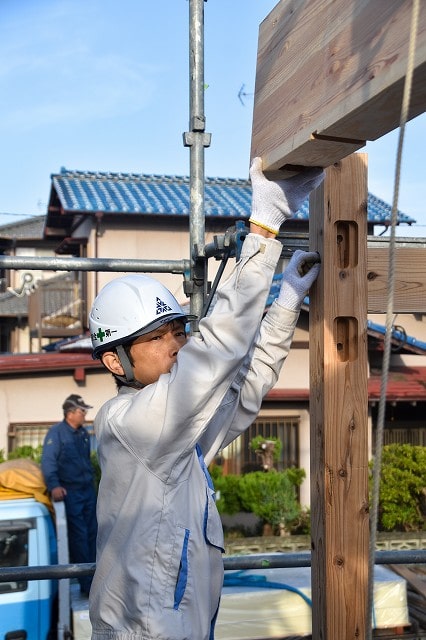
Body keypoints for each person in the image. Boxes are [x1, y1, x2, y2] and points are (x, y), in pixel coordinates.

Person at [88, 157, 324, 639]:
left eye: (177, 330)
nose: (174, 344)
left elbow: (242, 385)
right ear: (116, 361)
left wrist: (285, 304)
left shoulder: (178, 441)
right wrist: (263, 231)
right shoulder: (129, 426)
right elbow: (213, 354)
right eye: (155, 338)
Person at [41, 393, 98, 596]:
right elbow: (48, 462)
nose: (85, 415)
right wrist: (54, 485)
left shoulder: (82, 434)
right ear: (71, 413)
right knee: (79, 537)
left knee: (93, 534)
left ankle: (95, 580)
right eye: (82, 411)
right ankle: (86, 585)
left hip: (87, 489)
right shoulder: (56, 433)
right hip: (71, 491)